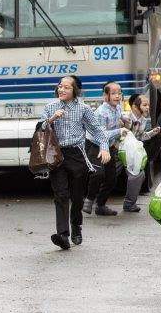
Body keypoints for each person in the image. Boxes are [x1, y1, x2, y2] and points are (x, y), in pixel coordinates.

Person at [40, 75, 111, 250]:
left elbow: (97, 130)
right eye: (60, 86)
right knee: (60, 195)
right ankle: (63, 235)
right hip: (56, 155)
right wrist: (52, 119)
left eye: (66, 87)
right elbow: (40, 129)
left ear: (74, 91)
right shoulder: (50, 107)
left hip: (77, 155)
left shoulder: (83, 109)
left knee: (77, 196)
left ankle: (76, 226)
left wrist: (104, 148)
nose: (61, 90)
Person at [83, 81, 130, 216]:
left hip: (109, 146)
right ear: (105, 95)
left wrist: (126, 118)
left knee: (111, 178)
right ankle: (89, 199)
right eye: (113, 93)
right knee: (98, 173)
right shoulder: (101, 112)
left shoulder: (117, 107)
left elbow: (120, 115)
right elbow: (101, 135)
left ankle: (101, 205)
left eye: (119, 93)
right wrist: (119, 131)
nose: (117, 96)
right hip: (95, 145)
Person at [121, 94, 161, 212]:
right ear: (134, 107)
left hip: (131, 153)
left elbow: (141, 136)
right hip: (120, 151)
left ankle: (129, 203)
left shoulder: (144, 120)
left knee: (139, 174)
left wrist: (153, 132)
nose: (148, 107)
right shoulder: (126, 118)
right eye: (144, 105)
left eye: (148, 105)